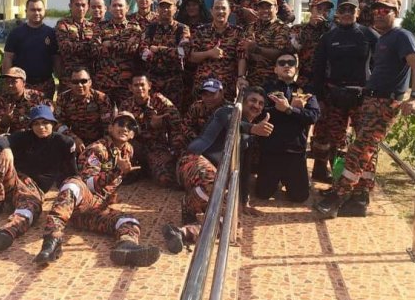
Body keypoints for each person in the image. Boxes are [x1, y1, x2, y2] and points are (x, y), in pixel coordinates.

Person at [314, 0, 415, 218]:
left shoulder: (401, 36)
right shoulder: (384, 38)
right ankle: (360, 197)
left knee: (359, 148)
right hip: (369, 100)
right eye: (376, 11)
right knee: (366, 150)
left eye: (386, 11)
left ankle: (338, 195)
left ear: (396, 12)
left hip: (385, 101)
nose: (379, 14)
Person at [34, 111, 161, 267]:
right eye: (120, 123)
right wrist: (117, 171)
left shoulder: (128, 149)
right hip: (78, 204)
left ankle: (126, 248)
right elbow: (89, 184)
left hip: (94, 210)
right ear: (110, 128)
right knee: (72, 184)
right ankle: (51, 241)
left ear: (133, 134)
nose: (125, 128)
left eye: (130, 126)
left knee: (130, 221)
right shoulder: (97, 149)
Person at [163, 87, 273, 253]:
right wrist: (253, 129)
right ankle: (189, 204)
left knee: (230, 222)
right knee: (216, 185)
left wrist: (244, 202)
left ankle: (184, 232)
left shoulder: (249, 134)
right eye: (252, 100)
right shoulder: (227, 111)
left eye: (260, 103)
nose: (256, 106)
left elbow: (243, 170)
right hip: (193, 160)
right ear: (242, 102)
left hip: (215, 176)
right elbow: (232, 122)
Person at [0, 105, 76, 251]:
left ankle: (6, 233)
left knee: (29, 209)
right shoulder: (24, 136)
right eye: (36, 124)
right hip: (14, 180)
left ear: (53, 124)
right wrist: (6, 149)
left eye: (45, 123)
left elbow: (71, 172)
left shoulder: (64, 142)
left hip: (33, 189)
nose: (41, 127)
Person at [308, 0, 379, 183]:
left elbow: (383, 61)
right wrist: (319, 98)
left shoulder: (368, 34)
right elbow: (318, 69)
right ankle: (338, 180)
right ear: (337, 13)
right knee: (335, 141)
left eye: (351, 10)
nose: (347, 13)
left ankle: (361, 187)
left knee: (364, 142)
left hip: (362, 98)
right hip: (334, 97)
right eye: (343, 10)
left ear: (358, 12)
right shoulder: (328, 37)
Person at [258, 53, 321, 202]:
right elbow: (259, 114)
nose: (287, 65)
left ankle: (288, 180)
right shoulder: (265, 89)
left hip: (295, 152)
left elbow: (313, 116)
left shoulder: (306, 91)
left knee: (300, 197)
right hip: (271, 150)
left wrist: (289, 110)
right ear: (275, 69)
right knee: (263, 194)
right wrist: (284, 110)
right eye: (282, 63)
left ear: (296, 69)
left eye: (291, 63)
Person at [120, 73, 186, 188]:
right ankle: (141, 169)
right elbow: (120, 132)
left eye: (142, 85)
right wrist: (148, 125)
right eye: (136, 85)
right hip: (135, 147)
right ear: (130, 88)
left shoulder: (160, 101)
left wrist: (174, 152)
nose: (140, 88)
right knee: (120, 177)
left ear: (149, 85)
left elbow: (177, 123)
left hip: (156, 147)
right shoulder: (126, 106)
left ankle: (149, 169)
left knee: (166, 179)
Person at [188, 0, 245, 103]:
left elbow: (241, 56)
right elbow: (192, 57)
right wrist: (209, 53)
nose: (220, 11)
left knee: (225, 117)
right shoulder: (201, 31)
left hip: (227, 87)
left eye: (223, 8)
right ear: (211, 11)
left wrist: (241, 76)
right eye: (217, 8)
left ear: (229, 11)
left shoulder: (238, 32)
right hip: (203, 87)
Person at [2, 0, 60, 99]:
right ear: (26, 11)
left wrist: (61, 78)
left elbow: (56, 59)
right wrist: (8, 81)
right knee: (22, 114)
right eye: (33, 10)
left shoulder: (51, 33)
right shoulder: (16, 33)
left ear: (44, 11)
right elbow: (8, 58)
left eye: (39, 10)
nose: (36, 13)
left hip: (45, 84)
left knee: (44, 114)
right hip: (22, 84)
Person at [139, 0, 191, 107]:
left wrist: (158, 50)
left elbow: (183, 52)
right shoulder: (150, 28)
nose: (165, 10)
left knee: (173, 114)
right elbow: (143, 53)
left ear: (175, 9)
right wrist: (171, 51)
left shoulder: (182, 29)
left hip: (173, 81)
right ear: (157, 9)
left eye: (169, 6)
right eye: (162, 6)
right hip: (153, 79)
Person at [94, 0, 142, 105]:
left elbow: (133, 49)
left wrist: (109, 43)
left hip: (125, 81)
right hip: (104, 80)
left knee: (125, 114)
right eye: (114, 5)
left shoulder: (134, 27)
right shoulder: (100, 27)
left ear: (127, 8)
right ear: (109, 8)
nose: (117, 8)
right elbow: (94, 49)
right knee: (104, 115)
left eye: (120, 5)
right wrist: (124, 44)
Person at [53, 67, 115, 153]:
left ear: (90, 82)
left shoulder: (101, 98)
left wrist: (100, 144)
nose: (80, 85)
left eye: (83, 81)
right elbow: (58, 123)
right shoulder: (63, 98)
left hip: (99, 142)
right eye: (75, 82)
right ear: (70, 84)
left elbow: (108, 126)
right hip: (72, 140)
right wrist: (73, 138)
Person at [239, 0, 289, 88]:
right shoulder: (251, 27)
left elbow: (280, 54)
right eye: (261, 7)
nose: (265, 10)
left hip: (275, 83)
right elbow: (242, 52)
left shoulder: (282, 28)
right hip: (252, 82)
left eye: (268, 7)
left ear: (276, 9)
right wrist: (241, 76)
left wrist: (257, 50)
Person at [55, 0, 99, 94]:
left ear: (88, 6)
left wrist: (79, 46)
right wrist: (89, 45)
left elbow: (97, 49)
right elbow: (65, 47)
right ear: (70, 6)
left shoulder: (92, 26)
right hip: (69, 76)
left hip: (89, 76)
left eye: (83, 5)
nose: (80, 8)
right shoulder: (63, 24)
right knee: (67, 105)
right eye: (77, 5)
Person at [287, 0, 333, 89]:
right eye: (319, 9)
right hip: (306, 80)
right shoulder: (298, 29)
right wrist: (311, 27)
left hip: (328, 81)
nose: (323, 13)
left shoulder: (332, 30)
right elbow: (291, 49)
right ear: (311, 9)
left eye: (326, 10)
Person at [176, 0, 212, 111]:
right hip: (183, 70)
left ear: (200, 6)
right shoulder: (179, 25)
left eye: (194, 5)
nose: (191, 8)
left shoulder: (208, 24)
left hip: (201, 68)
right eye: (188, 5)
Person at [0, 67, 52, 134]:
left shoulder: (37, 97)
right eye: (7, 82)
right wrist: (6, 118)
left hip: (35, 134)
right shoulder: (1, 100)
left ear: (24, 83)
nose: (10, 85)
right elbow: (2, 130)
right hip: (14, 136)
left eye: (14, 82)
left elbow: (49, 122)